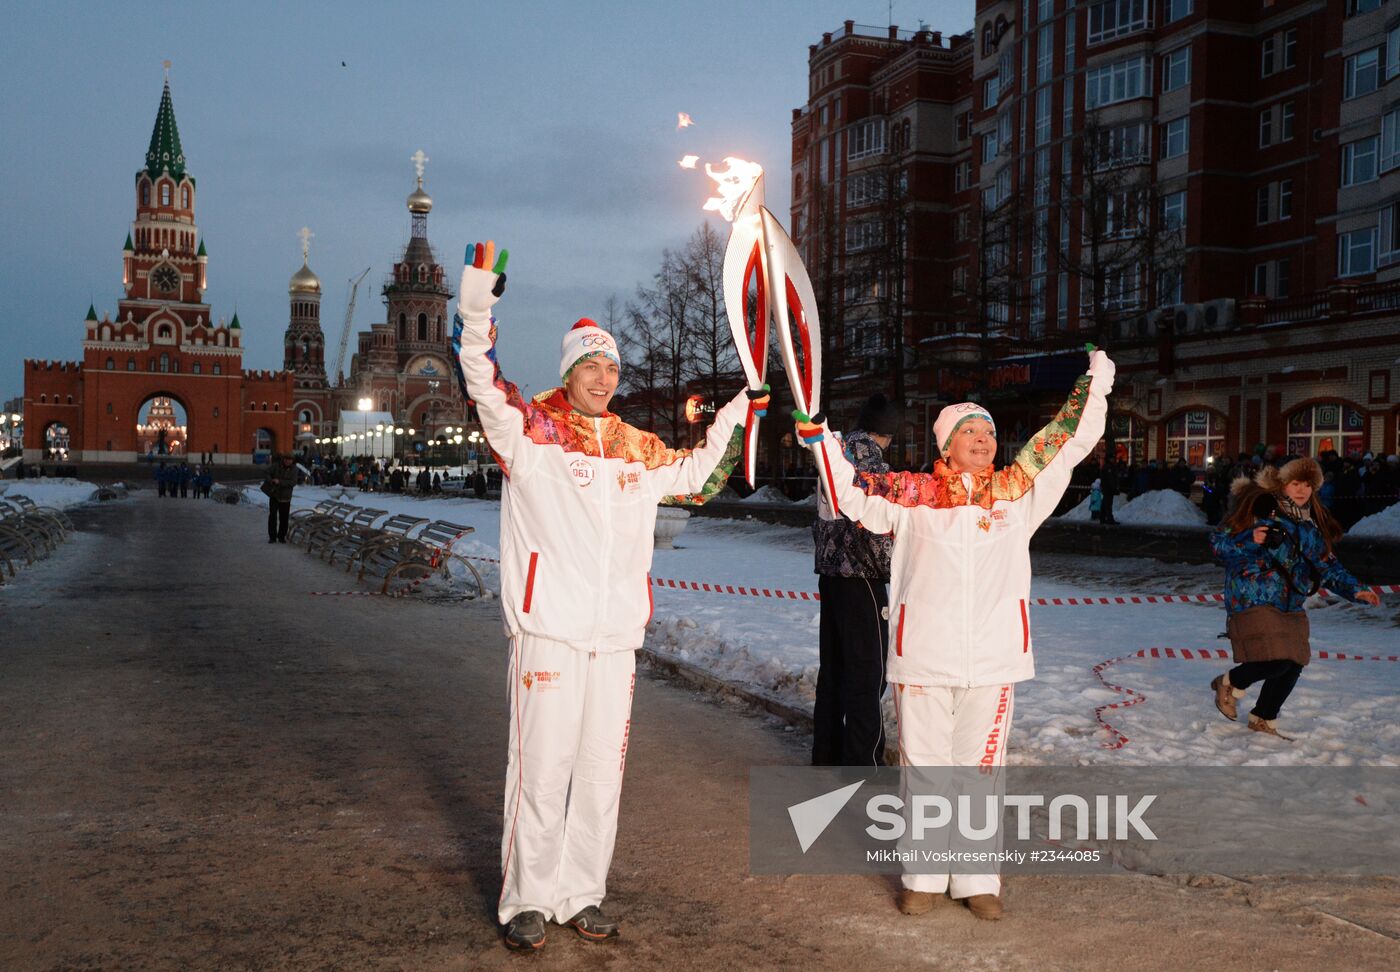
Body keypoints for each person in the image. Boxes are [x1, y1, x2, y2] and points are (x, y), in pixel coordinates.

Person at [452, 240, 759, 951]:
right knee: (542, 767)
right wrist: (476, 308)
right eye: (591, 364)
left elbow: (699, 476)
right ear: (568, 370)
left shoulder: (637, 447)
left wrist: (741, 411)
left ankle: (580, 891)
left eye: (613, 365)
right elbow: (480, 379)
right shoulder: (532, 431)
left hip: (615, 635)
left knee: (598, 774)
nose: (604, 376)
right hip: (550, 628)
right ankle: (527, 898)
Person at [798, 347, 1114, 920]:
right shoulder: (913, 496)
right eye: (969, 431)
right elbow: (847, 493)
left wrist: (1095, 385)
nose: (982, 439)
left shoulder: (1018, 494)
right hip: (924, 658)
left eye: (988, 431)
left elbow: (1067, 443)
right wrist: (820, 439)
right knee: (925, 770)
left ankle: (975, 879)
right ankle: (922, 875)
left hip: (994, 660)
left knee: (979, 772)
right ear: (946, 444)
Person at [1209, 458, 1379, 738]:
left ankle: (1263, 717)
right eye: (1295, 483)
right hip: (1254, 596)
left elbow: (1328, 565)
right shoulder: (1257, 511)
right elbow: (1219, 546)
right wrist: (1250, 539)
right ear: (1282, 484)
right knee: (1278, 660)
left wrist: (1355, 590)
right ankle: (1228, 683)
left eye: (1308, 485)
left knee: (1295, 660)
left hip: (1290, 601)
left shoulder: (1310, 525)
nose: (1302, 490)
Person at [811, 393, 897, 767]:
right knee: (868, 673)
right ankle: (863, 762)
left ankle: (826, 754)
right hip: (863, 577)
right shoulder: (872, 464)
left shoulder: (834, 453)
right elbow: (878, 527)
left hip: (830, 576)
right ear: (891, 432)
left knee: (834, 671)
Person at [262, 452, 298, 543]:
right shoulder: (276, 466)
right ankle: (272, 537)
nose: (287, 461)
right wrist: (271, 481)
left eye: (289, 460)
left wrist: (280, 482)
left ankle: (281, 536)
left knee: (284, 518)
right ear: (283, 459)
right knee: (272, 516)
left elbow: (293, 482)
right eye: (286, 459)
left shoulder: (294, 469)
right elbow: (266, 472)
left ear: (292, 461)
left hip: (286, 497)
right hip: (275, 495)